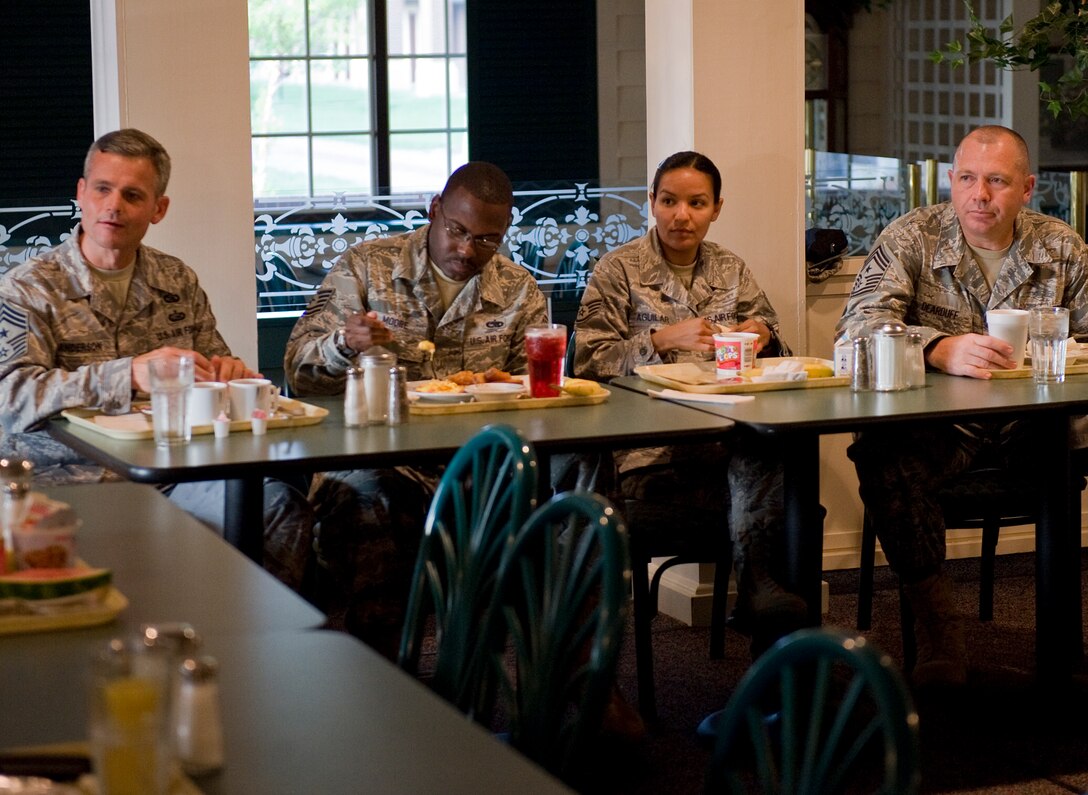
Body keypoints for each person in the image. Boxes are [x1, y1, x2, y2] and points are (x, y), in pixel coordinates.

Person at [0, 128, 314, 591]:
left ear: (158, 209)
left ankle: (252, 642)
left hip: (172, 475)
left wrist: (226, 374)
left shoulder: (176, 279)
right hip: (66, 483)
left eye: (132, 195)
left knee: (276, 507)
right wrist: (126, 374)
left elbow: (214, 363)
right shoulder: (28, 288)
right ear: (80, 194)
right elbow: (10, 396)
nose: (114, 206)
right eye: (102, 189)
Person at [836, 125, 1088, 687]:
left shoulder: (1062, 246)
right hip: (943, 428)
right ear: (951, 180)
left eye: (997, 181)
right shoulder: (913, 237)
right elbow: (854, 333)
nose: (980, 194)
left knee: (1069, 449)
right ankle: (938, 631)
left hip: (1035, 425)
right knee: (881, 454)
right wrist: (937, 347)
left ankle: (1065, 647)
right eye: (968, 179)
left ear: (1025, 189)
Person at [284, 161, 548, 657]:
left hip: (475, 464)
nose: (469, 251)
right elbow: (299, 371)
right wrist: (344, 342)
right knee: (375, 503)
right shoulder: (367, 266)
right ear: (434, 211)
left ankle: (552, 678)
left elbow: (535, 399)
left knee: (558, 509)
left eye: (488, 240)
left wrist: (509, 386)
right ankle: (383, 677)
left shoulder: (518, 290)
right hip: (373, 457)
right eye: (457, 231)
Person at [574, 150, 807, 655]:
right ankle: (758, 584)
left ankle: (780, 668)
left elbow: (775, 342)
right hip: (647, 448)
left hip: (722, 438)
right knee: (777, 488)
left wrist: (763, 333)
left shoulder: (730, 267)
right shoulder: (619, 270)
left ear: (716, 208)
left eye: (697, 203)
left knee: (775, 459)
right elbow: (587, 363)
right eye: (670, 201)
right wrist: (658, 340)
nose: (682, 215)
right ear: (651, 204)